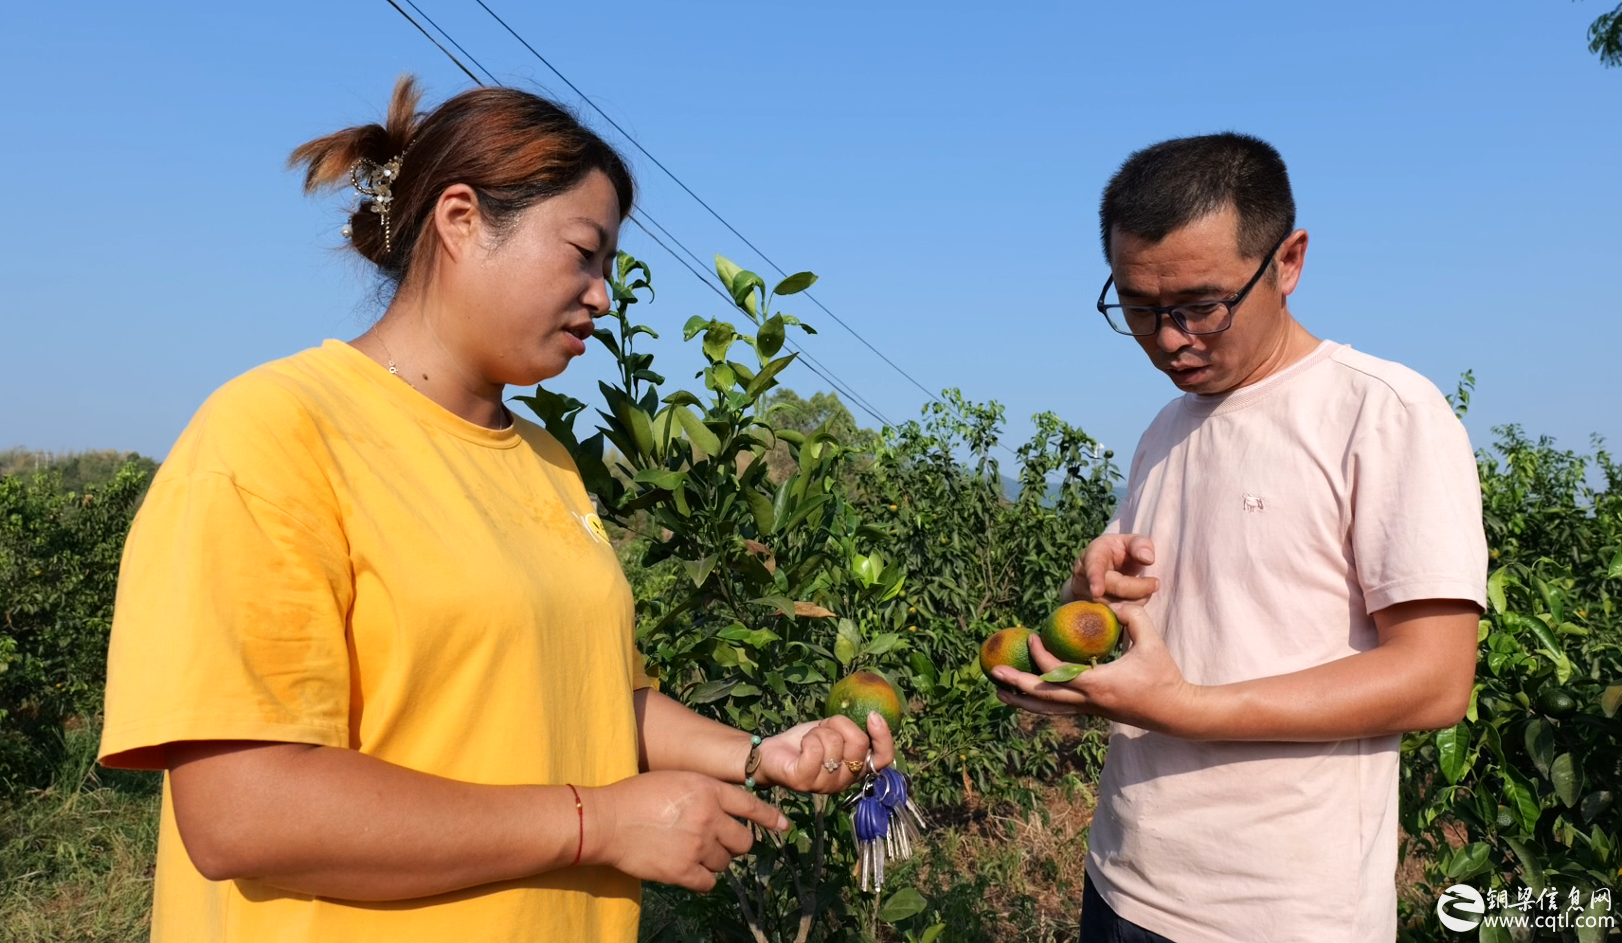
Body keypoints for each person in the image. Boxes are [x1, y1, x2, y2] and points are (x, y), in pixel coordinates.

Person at [97, 76, 894, 943]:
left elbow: (592, 699)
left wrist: (753, 751)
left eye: (610, 267)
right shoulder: (274, 434)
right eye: (584, 253)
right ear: (462, 219)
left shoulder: (546, 464)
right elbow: (241, 810)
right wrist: (601, 822)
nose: (603, 295)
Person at [991, 133, 1486, 942]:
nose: (1170, 339)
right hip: (1120, 878)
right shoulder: (1164, 427)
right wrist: (1080, 614)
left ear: (1287, 262)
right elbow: (1171, 640)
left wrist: (1187, 709)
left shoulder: (1382, 413)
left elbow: (1436, 680)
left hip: (1273, 913)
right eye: (1139, 309)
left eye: (1201, 305)